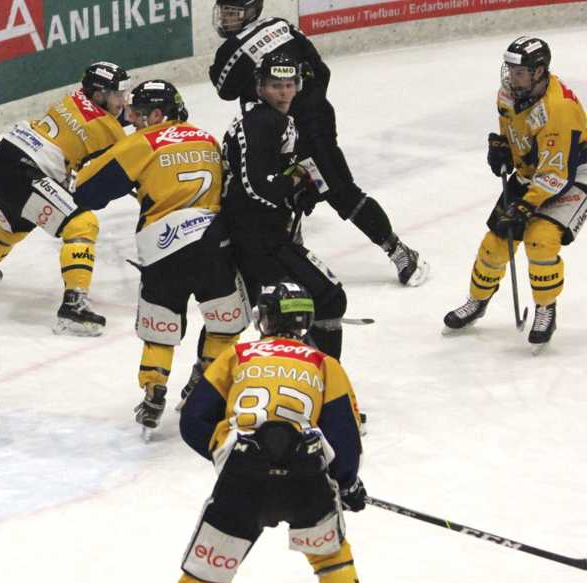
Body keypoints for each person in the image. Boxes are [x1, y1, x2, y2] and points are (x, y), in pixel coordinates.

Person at [73, 80, 249, 437]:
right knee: (225, 323)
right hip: (214, 245)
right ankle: (208, 387)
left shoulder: (142, 142)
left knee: (161, 327)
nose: (134, 121)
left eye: (138, 114)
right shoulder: (207, 138)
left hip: (163, 247)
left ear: (158, 113)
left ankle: (154, 390)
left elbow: (87, 192)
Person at [209, 0, 428, 287]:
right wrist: (309, 106)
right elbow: (321, 71)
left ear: (251, 11)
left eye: (232, 13)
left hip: (283, 131)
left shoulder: (232, 49)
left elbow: (224, 89)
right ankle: (296, 257)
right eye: (223, 12)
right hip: (312, 122)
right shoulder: (282, 25)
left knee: (320, 190)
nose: (226, 19)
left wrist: (291, 117)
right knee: (309, 190)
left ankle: (397, 250)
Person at [176, 281, 365, 583]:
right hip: (306, 476)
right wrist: (347, 485)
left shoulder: (237, 354)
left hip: (243, 474)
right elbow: (344, 439)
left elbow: (193, 419)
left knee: (204, 581)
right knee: (332, 559)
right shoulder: (324, 364)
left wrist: (226, 452)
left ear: (263, 318)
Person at [0, 61, 132, 336]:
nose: (122, 100)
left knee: (12, 227)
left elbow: (99, 123)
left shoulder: (72, 99)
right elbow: (118, 165)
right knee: (82, 223)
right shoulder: (108, 129)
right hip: (25, 172)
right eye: (117, 94)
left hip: (0, 163)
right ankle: (74, 308)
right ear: (98, 95)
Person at [444, 37, 587, 347]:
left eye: (519, 72)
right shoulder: (510, 93)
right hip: (534, 171)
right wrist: (502, 146)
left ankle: (546, 308)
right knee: (494, 243)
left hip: (571, 175)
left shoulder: (558, 110)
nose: (511, 77)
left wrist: (524, 208)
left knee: (540, 241)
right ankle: (477, 300)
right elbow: (512, 128)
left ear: (538, 72)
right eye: (509, 70)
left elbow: (555, 174)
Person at [221, 53, 347, 359]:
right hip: (259, 240)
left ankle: (206, 377)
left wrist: (300, 188)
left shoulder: (270, 120)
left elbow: (272, 178)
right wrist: (294, 184)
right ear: (260, 87)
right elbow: (259, 188)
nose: (284, 92)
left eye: (290, 84)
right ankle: (323, 381)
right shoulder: (264, 122)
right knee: (327, 299)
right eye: (276, 85)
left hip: (259, 234)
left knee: (252, 313)